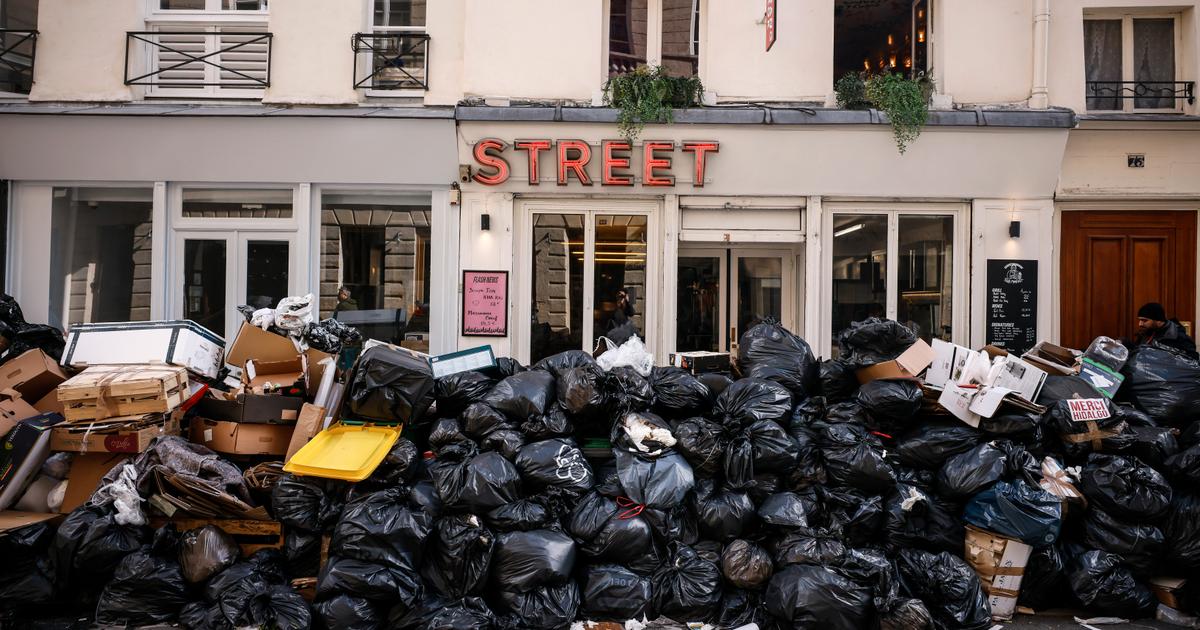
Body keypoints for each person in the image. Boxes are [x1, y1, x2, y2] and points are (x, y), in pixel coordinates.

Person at [1132, 302, 1196, 355]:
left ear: (1158, 320)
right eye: (1140, 320)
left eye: (1144, 320)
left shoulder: (1177, 336)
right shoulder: (1146, 333)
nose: (1140, 324)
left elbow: (1192, 360)